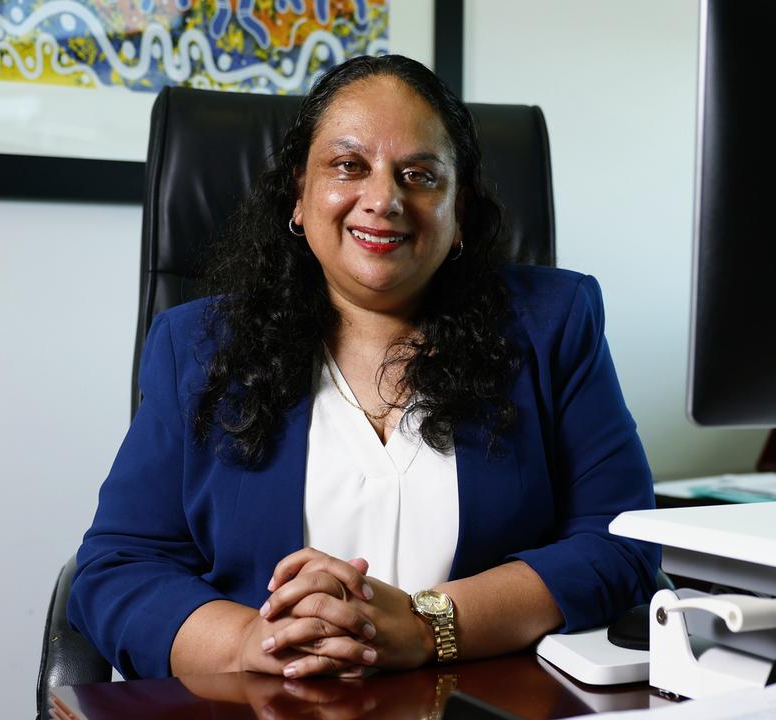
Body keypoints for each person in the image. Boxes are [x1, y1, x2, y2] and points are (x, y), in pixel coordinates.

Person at [67, 54, 659, 681]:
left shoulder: (553, 324)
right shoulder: (198, 346)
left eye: (420, 175)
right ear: (299, 194)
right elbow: (119, 568)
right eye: (348, 166)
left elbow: (621, 541)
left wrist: (431, 625)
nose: (383, 199)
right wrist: (250, 642)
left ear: (459, 214)